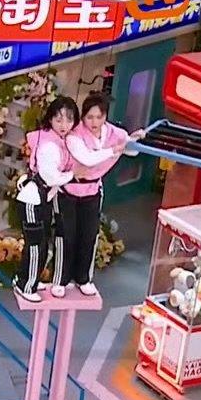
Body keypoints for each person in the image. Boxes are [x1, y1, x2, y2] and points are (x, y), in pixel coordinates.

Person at [53, 92, 145, 297]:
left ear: (105, 116)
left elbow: (131, 150)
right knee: (66, 235)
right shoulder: (75, 134)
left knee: (89, 235)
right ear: (83, 117)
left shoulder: (114, 133)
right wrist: (115, 150)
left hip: (93, 190)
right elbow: (87, 159)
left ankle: (84, 279)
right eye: (89, 117)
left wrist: (133, 140)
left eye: (99, 117)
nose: (94, 122)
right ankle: (61, 280)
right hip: (69, 190)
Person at [13, 96, 79, 302]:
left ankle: (26, 278)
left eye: (69, 120)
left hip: (42, 199)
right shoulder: (50, 145)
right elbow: (51, 177)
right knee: (37, 245)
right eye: (59, 120)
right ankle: (26, 285)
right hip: (33, 201)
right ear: (50, 119)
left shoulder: (57, 140)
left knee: (41, 243)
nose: (64, 125)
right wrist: (74, 175)